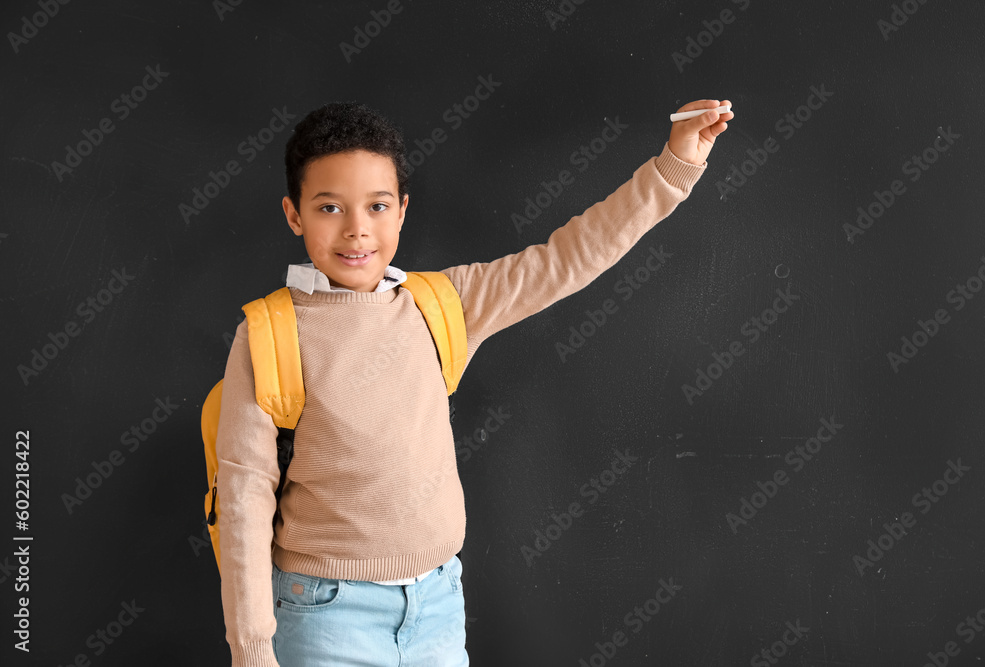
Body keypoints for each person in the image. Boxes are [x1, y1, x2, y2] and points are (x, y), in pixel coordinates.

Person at [215, 98, 734, 666]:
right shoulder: (267, 332)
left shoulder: (441, 304)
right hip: (323, 615)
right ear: (294, 215)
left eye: (377, 205)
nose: (357, 230)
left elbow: (568, 257)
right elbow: (243, 498)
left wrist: (674, 166)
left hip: (437, 605)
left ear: (402, 211)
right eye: (329, 207)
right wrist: (252, 646)